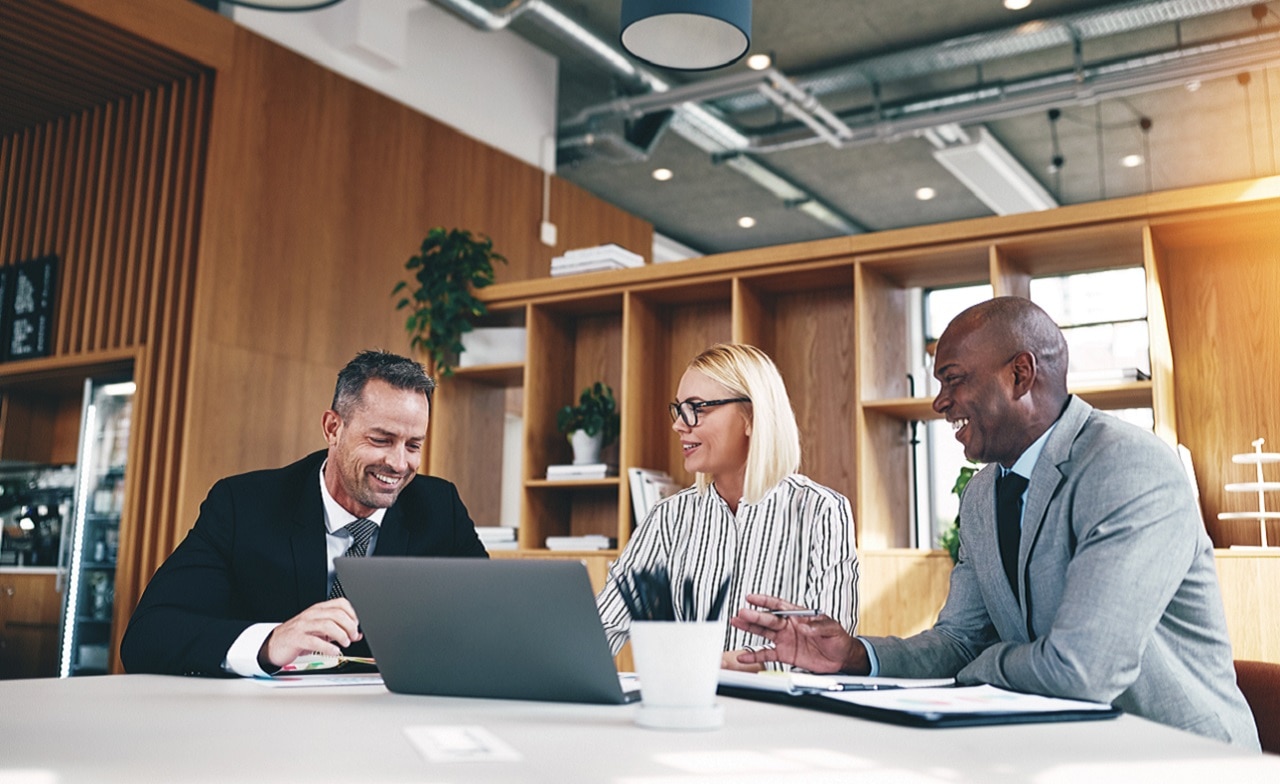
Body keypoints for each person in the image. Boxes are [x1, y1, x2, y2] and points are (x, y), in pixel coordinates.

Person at [731, 297, 1259, 748]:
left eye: (953, 380)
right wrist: (852, 655)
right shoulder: (982, 493)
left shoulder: (1128, 466)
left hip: (1174, 755)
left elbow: (1079, 673)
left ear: (1020, 375)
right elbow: (960, 641)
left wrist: (982, 667)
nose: (940, 403)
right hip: (1058, 750)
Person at [120, 350, 488, 677]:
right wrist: (269, 642)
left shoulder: (441, 509)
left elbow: (492, 624)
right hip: (265, 730)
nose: (398, 463)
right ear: (333, 428)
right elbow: (149, 636)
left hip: (388, 727)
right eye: (381, 440)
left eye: (413, 446)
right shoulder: (244, 505)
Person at [596, 343, 858, 670]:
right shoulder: (668, 518)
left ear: (752, 416)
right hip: (685, 709)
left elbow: (830, 653)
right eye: (678, 409)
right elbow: (601, 629)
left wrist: (751, 666)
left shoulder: (822, 511)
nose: (679, 424)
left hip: (780, 717)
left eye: (697, 408)